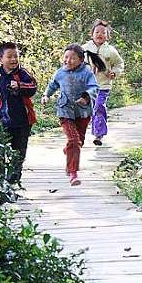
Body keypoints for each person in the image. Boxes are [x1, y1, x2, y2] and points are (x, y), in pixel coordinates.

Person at [41, 43, 99, 186]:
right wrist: (46, 95)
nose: (68, 60)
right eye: (66, 57)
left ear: (81, 60)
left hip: (82, 112)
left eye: (72, 58)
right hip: (65, 110)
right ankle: (73, 173)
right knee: (74, 140)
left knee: (78, 142)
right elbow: (53, 84)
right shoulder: (60, 72)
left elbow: (94, 87)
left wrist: (86, 98)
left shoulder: (87, 73)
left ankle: (69, 150)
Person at [0, 41, 37, 186]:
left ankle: (13, 180)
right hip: (3, 119)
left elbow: (33, 87)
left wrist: (20, 85)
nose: (13, 60)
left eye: (16, 56)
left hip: (23, 120)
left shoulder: (22, 73)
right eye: (9, 57)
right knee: (0, 148)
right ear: (1, 59)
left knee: (19, 152)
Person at [81, 19, 125, 146]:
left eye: (103, 33)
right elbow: (76, 62)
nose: (100, 34)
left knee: (99, 107)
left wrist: (114, 73)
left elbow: (119, 64)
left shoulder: (110, 51)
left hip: (103, 85)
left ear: (107, 36)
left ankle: (99, 135)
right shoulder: (84, 49)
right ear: (92, 34)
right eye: (97, 32)